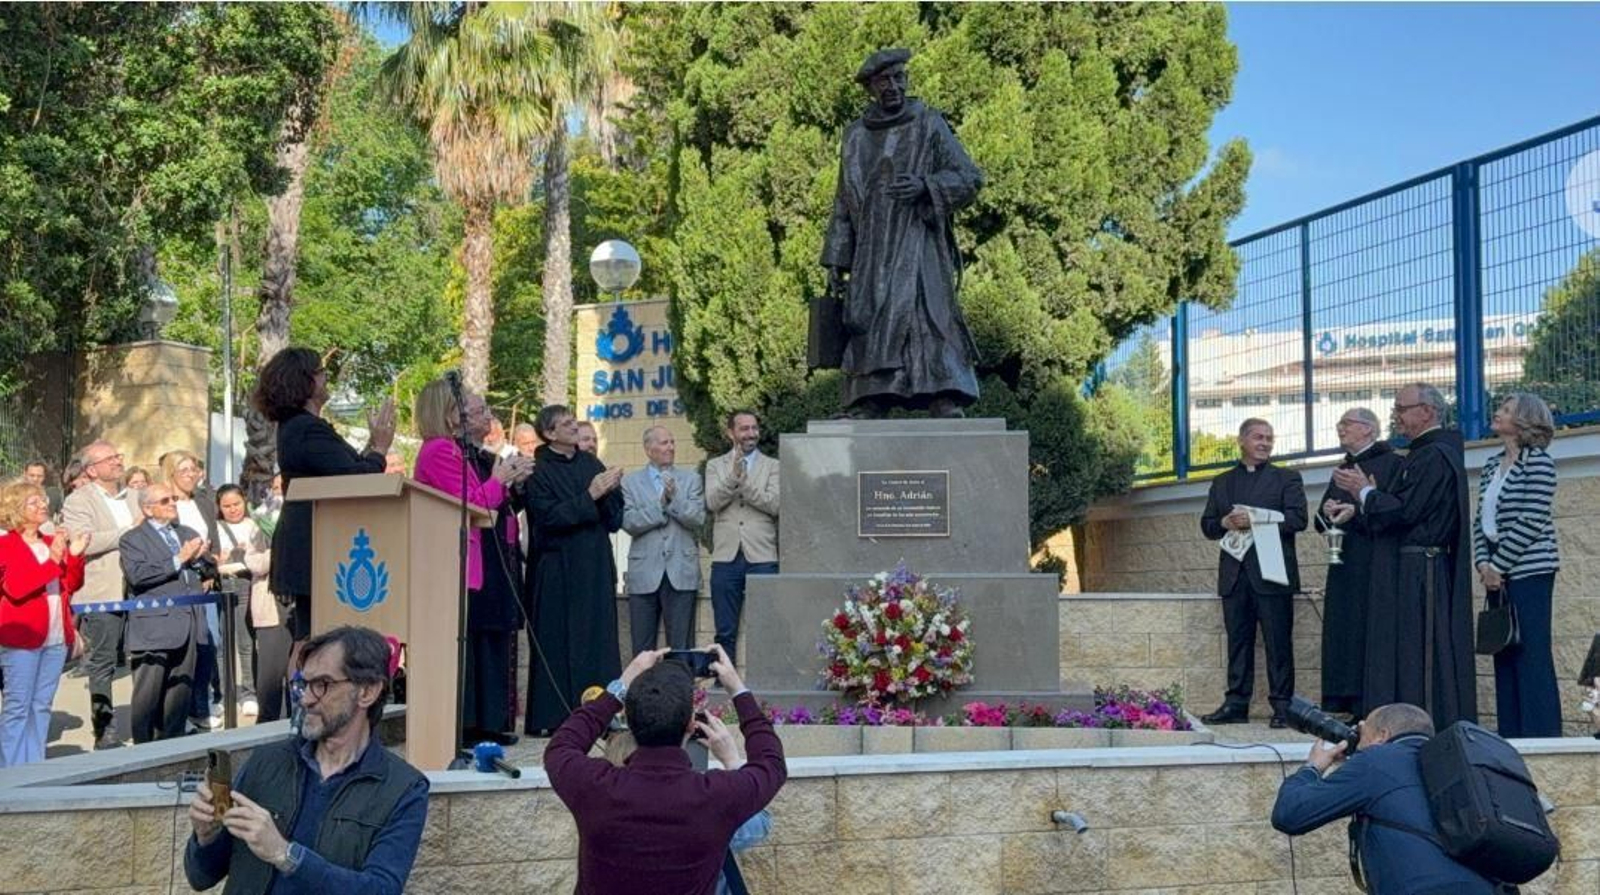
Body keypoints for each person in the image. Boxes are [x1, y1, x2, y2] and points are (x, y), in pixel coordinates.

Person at [184, 626, 429, 894]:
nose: (306, 699)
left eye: (322, 685)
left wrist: (285, 854)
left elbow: (381, 889)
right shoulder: (266, 762)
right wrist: (205, 837)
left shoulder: (403, 789)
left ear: (367, 692)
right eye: (303, 684)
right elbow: (200, 877)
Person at [817, 48, 984, 419]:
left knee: (927, 317)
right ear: (870, 88)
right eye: (883, 80)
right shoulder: (855, 137)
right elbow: (843, 200)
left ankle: (944, 395)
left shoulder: (928, 123)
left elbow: (970, 178)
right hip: (872, 250)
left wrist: (927, 186)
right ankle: (870, 399)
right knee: (869, 319)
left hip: (917, 240)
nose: (892, 86)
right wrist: (836, 257)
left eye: (898, 78)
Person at [546, 645, 786, 894]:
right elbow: (771, 763)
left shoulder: (595, 787)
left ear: (628, 718)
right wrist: (737, 689)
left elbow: (562, 745)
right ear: (692, 725)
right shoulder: (716, 796)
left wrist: (622, 683)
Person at [1332, 382, 1477, 728]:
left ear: (1427, 411)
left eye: (1401, 408)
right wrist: (1360, 507)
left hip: (1421, 569)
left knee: (1419, 654)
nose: (1395, 416)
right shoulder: (1422, 453)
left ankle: (1421, 724)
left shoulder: (1434, 455)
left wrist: (1363, 491)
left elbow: (1408, 511)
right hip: (1409, 566)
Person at [411, 377, 532, 745]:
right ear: (447, 413)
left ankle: (487, 725)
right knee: (467, 645)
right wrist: (499, 478)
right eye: (464, 407)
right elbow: (472, 502)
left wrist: (507, 481)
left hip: (478, 558)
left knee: (484, 645)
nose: (471, 414)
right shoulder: (437, 451)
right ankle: (464, 727)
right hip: (455, 559)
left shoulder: (457, 450)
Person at [1270, 703, 1498, 894]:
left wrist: (1313, 767)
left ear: (1383, 736)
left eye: (1363, 735)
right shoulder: (1454, 763)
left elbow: (1290, 814)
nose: (1357, 744)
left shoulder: (1376, 759)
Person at [253, 348, 394, 644]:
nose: (325, 377)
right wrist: (380, 448)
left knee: (313, 639)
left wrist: (371, 445)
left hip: (320, 544)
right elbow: (356, 480)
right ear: (305, 381)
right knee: (313, 641)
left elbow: (341, 470)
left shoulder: (301, 428)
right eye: (320, 371)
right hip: (316, 547)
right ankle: (304, 689)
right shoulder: (306, 429)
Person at [521, 404, 624, 735]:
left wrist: (609, 492)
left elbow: (613, 519)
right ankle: (555, 717)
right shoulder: (538, 470)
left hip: (593, 567)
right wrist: (590, 495)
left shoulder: (591, 462)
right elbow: (547, 518)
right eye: (566, 424)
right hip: (557, 571)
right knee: (557, 642)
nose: (574, 429)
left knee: (598, 641)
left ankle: (601, 714)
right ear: (550, 433)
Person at [1199, 419, 1307, 728]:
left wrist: (1256, 519)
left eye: (1269, 438)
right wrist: (1225, 523)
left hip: (1272, 574)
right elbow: (1207, 526)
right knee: (1238, 641)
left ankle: (1283, 707)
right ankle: (1236, 704)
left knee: (1278, 643)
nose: (1265, 443)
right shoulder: (1221, 482)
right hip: (1235, 575)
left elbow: (1298, 520)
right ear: (1242, 440)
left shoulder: (1286, 478)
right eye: (1258, 437)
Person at [1474, 393, 1562, 738]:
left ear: (1524, 420)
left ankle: (1541, 735)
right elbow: (1482, 519)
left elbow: (1532, 517)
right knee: (1504, 649)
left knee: (1531, 652)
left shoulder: (1538, 462)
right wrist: (1483, 562)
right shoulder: (1492, 465)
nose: (1497, 413)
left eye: (1506, 410)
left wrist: (1499, 564)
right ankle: (1511, 734)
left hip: (1530, 570)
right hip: (1496, 572)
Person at [1315, 408, 1401, 718]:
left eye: (1347, 423)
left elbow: (1391, 512)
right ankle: (1344, 698)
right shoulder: (1343, 468)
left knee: (1367, 627)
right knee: (1344, 629)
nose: (1340, 428)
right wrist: (1328, 511)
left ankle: (1367, 700)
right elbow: (1321, 522)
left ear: (1368, 429)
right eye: (1340, 423)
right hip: (1344, 562)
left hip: (1373, 561)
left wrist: (1360, 508)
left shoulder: (1392, 464)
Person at [60, 439, 144, 749]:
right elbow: (85, 541)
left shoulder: (136, 496)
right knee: (103, 663)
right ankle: (105, 731)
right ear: (92, 470)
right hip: (100, 592)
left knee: (144, 659)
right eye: (111, 458)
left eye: (119, 455)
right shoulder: (78, 501)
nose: (118, 461)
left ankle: (145, 722)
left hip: (141, 590)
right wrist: (130, 530)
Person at [120, 482, 216, 743]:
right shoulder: (133, 539)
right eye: (165, 500)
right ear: (148, 509)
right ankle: (144, 753)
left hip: (190, 624)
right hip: (156, 627)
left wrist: (202, 558)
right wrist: (178, 559)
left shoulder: (186, 532)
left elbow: (208, 572)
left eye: (173, 498)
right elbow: (137, 576)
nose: (172, 503)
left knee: (179, 694)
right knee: (148, 696)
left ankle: (171, 751)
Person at [0, 482, 87, 766]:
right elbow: (16, 587)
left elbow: (71, 584)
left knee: (41, 705)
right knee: (17, 707)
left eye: (43, 501)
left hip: (55, 635)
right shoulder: (6, 545)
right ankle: (12, 769)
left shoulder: (52, 543)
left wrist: (74, 555)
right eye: (34, 502)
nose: (43, 506)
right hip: (21, 638)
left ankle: (35, 765)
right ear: (16, 511)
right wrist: (54, 559)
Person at [622, 426, 706, 656]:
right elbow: (629, 522)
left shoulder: (691, 479)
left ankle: (679, 691)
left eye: (672, 442)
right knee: (642, 647)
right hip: (644, 572)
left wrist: (674, 500)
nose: (670, 447)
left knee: (681, 647)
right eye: (664, 443)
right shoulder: (630, 482)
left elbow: (697, 518)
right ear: (648, 449)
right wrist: (660, 504)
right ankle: (641, 691)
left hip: (681, 570)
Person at [705, 410, 779, 661]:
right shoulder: (715, 466)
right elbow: (713, 501)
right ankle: (724, 680)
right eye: (744, 428)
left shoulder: (773, 466)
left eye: (754, 428)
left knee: (766, 625)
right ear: (731, 433)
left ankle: (765, 679)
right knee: (725, 629)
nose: (751, 433)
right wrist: (731, 478)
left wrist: (743, 482)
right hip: (726, 556)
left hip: (762, 555)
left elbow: (774, 504)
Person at [163, 449, 223, 731]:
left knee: (209, 644)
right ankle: (180, 709)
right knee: (183, 648)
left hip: (205, 579)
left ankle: (200, 704)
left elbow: (214, 537)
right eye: (184, 470)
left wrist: (211, 564)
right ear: (172, 473)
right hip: (177, 580)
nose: (190, 475)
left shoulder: (204, 501)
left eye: (194, 470)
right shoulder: (165, 502)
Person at [217, 484, 278, 721]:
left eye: (236, 504)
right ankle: (223, 694)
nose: (232, 510)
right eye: (226, 506)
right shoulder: (216, 527)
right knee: (222, 644)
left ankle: (249, 692)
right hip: (223, 583)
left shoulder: (257, 524)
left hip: (246, 583)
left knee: (245, 641)